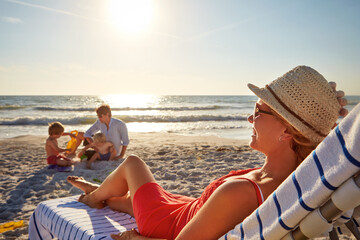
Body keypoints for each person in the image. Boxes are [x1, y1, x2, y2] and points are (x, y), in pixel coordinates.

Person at [67, 66, 348, 240]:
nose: (250, 120)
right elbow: (331, 149)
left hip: (168, 222)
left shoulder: (241, 192)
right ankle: (103, 192)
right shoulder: (296, 178)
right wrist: (325, 117)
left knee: (132, 163)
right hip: (188, 208)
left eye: (257, 112)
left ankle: (91, 197)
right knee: (124, 200)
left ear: (287, 131)